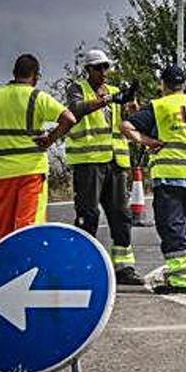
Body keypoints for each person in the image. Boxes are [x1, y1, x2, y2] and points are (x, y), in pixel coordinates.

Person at [121, 64, 186, 294]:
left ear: (163, 84)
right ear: (184, 84)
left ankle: (181, 281)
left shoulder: (159, 106)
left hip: (169, 178)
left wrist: (147, 140)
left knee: (173, 227)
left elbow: (126, 126)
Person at [64, 49, 143, 285]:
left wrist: (131, 105)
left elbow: (130, 118)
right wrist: (109, 99)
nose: (103, 72)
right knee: (88, 214)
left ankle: (124, 267)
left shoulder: (116, 92)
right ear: (88, 69)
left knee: (121, 215)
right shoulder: (77, 88)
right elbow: (76, 110)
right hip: (88, 162)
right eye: (98, 68)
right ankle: (82, 266)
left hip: (115, 161)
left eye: (106, 67)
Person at [0, 54, 76, 244]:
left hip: (6, 171)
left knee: (1, 225)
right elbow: (69, 119)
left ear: (14, 73)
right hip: (32, 171)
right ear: (35, 76)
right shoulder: (37, 97)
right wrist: (50, 138)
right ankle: (27, 267)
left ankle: (0, 267)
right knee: (29, 224)